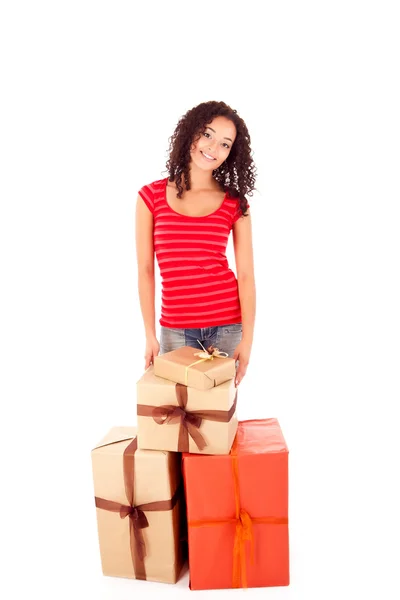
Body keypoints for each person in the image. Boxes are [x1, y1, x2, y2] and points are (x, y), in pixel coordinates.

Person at [135, 100, 257, 387]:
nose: (214, 148)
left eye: (226, 144)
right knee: (178, 417)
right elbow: (145, 271)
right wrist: (149, 334)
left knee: (216, 420)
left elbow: (247, 276)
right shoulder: (150, 197)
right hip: (175, 329)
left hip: (228, 326)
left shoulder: (234, 203)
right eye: (208, 135)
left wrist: (248, 340)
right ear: (191, 132)